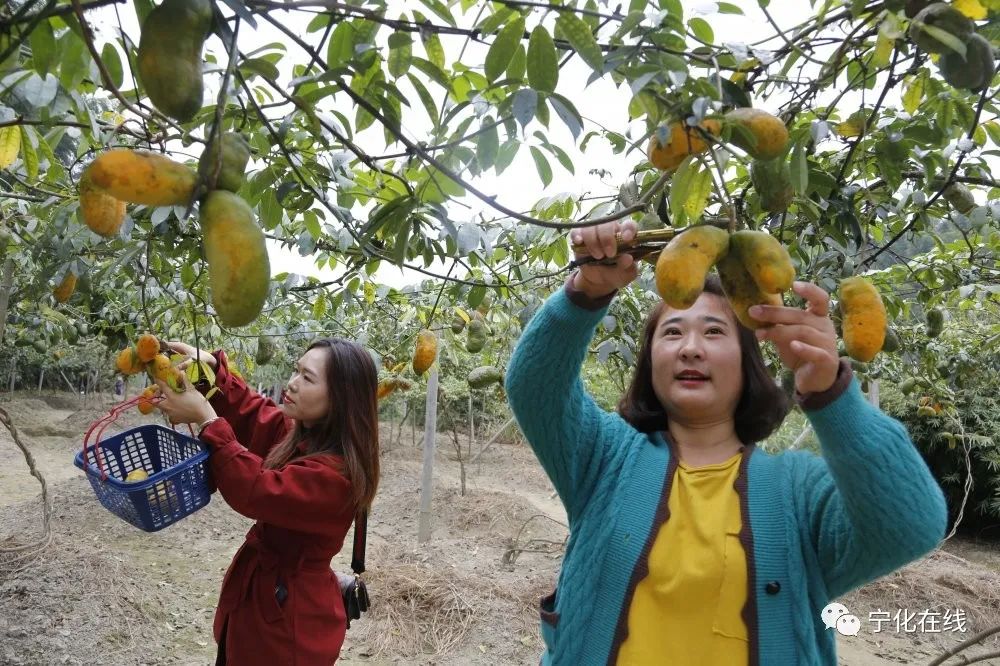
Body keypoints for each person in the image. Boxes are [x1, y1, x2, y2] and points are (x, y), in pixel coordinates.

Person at [505, 220, 947, 665]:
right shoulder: (605, 457)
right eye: (672, 332)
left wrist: (830, 394)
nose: (690, 348)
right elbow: (535, 386)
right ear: (649, 361)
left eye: (714, 332)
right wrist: (586, 292)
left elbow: (912, 524)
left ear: (748, 362)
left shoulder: (798, 491)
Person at [152, 338, 380, 666]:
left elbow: (256, 489)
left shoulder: (335, 477)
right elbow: (257, 416)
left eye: (308, 378)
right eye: (296, 371)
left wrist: (206, 420)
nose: (293, 383)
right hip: (266, 598)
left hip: (287, 619)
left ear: (342, 398)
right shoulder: (303, 435)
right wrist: (212, 375)